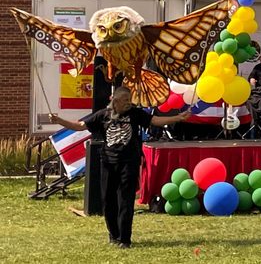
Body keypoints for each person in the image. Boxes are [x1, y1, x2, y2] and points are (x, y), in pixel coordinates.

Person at [49, 86, 191, 248]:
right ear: (115, 101)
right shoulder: (103, 115)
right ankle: (113, 235)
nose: (128, 103)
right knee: (108, 201)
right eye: (125, 100)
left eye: (129, 100)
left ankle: (125, 239)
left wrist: (178, 118)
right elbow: (80, 125)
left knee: (126, 201)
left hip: (129, 163)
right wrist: (60, 121)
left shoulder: (135, 114)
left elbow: (155, 121)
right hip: (108, 163)